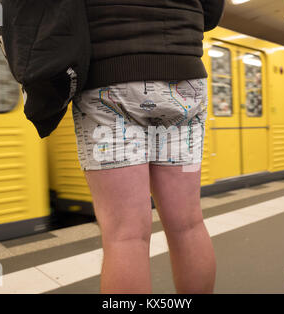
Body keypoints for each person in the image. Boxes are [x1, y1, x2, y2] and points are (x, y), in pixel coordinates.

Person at [72, 0, 225, 294]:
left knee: (126, 236)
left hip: (109, 74)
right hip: (184, 80)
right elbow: (212, 12)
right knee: (188, 224)